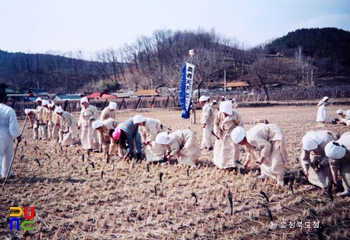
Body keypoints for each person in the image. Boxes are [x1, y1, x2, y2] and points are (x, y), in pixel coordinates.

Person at [213, 100, 244, 169]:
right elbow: (216, 123)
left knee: (232, 151)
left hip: (232, 135)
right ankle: (222, 165)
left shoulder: (235, 114)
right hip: (222, 134)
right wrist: (216, 131)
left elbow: (241, 124)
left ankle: (232, 166)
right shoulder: (219, 114)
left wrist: (238, 133)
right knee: (221, 150)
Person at [0, 90, 21, 178]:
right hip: (6, 135)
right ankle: (7, 173)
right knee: (7, 155)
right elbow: (13, 127)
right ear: (5, 99)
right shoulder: (9, 110)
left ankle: (7, 174)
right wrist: (18, 136)